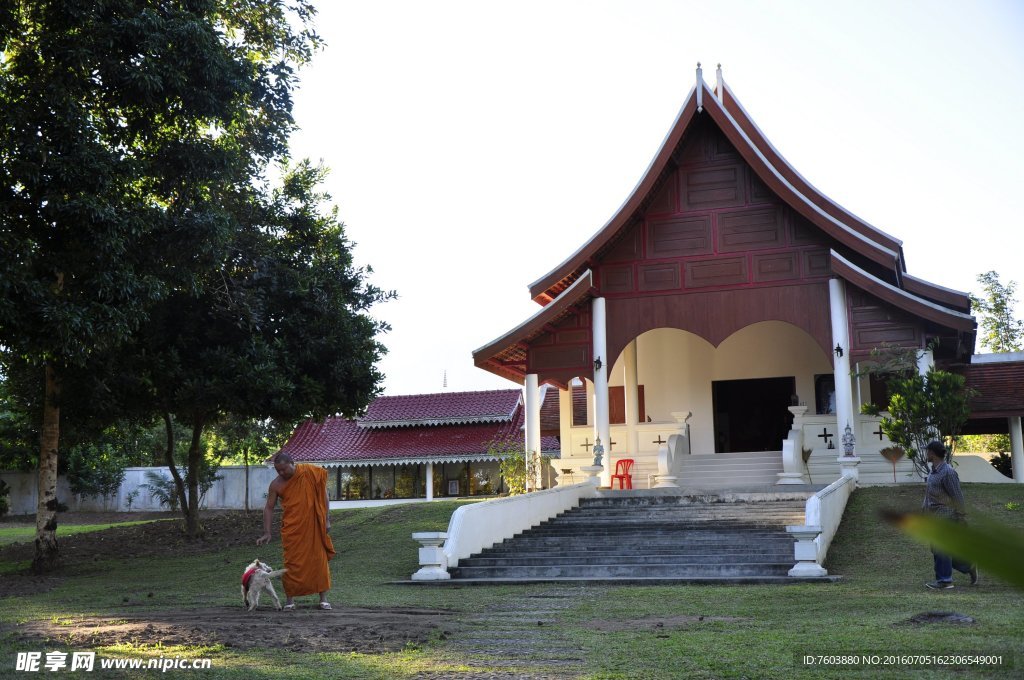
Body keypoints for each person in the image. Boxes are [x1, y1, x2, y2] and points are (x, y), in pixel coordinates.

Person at [257, 452, 336, 609]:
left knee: (319, 561)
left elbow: (324, 495)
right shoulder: (276, 485)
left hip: (314, 526)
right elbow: (269, 508)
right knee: (291, 564)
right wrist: (267, 532)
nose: (281, 473)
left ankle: (323, 599)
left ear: (293, 463)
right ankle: (290, 601)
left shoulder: (310, 472)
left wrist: (326, 519)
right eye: (278, 470)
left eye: (284, 469)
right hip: (293, 529)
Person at [922, 440, 978, 590]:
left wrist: (961, 517)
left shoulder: (948, 472)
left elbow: (957, 496)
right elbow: (929, 495)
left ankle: (945, 581)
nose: (926, 454)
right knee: (937, 550)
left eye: (927, 451)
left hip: (947, 516)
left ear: (932, 453)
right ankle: (968, 565)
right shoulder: (933, 471)